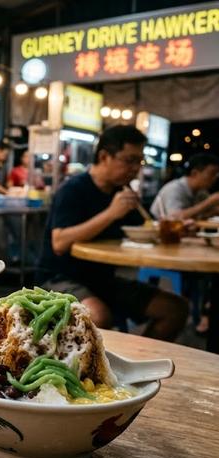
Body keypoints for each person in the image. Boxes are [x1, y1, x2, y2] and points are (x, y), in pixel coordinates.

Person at [37, 125, 188, 341]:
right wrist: (111, 213)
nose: (135, 168)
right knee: (97, 316)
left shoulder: (121, 193)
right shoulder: (73, 189)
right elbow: (59, 243)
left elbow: (146, 229)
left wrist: (176, 227)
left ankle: (139, 366)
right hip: (59, 278)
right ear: (104, 156)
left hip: (104, 280)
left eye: (139, 161)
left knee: (175, 308)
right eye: (129, 160)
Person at [151, 153, 219, 220]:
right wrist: (209, 202)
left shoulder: (200, 192)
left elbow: (210, 211)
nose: (215, 178)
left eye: (216, 174)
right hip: (156, 228)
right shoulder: (174, 189)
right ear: (194, 173)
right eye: (212, 173)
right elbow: (175, 217)